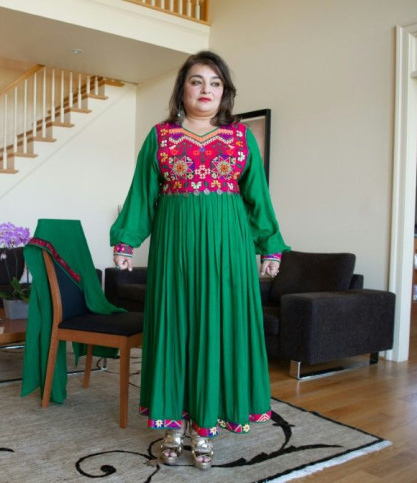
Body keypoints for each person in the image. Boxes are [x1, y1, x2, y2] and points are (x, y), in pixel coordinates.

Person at [110, 51, 289, 470]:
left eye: (214, 83)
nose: (205, 90)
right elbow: (142, 196)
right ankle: (173, 426)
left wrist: (271, 247)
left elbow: (258, 199)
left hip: (229, 251)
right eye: (197, 81)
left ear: (224, 92)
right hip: (175, 252)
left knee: (217, 331)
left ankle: (204, 429)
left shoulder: (242, 138)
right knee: (175, 330)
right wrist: (126, 241)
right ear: (182, 88)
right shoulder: (160, 136)